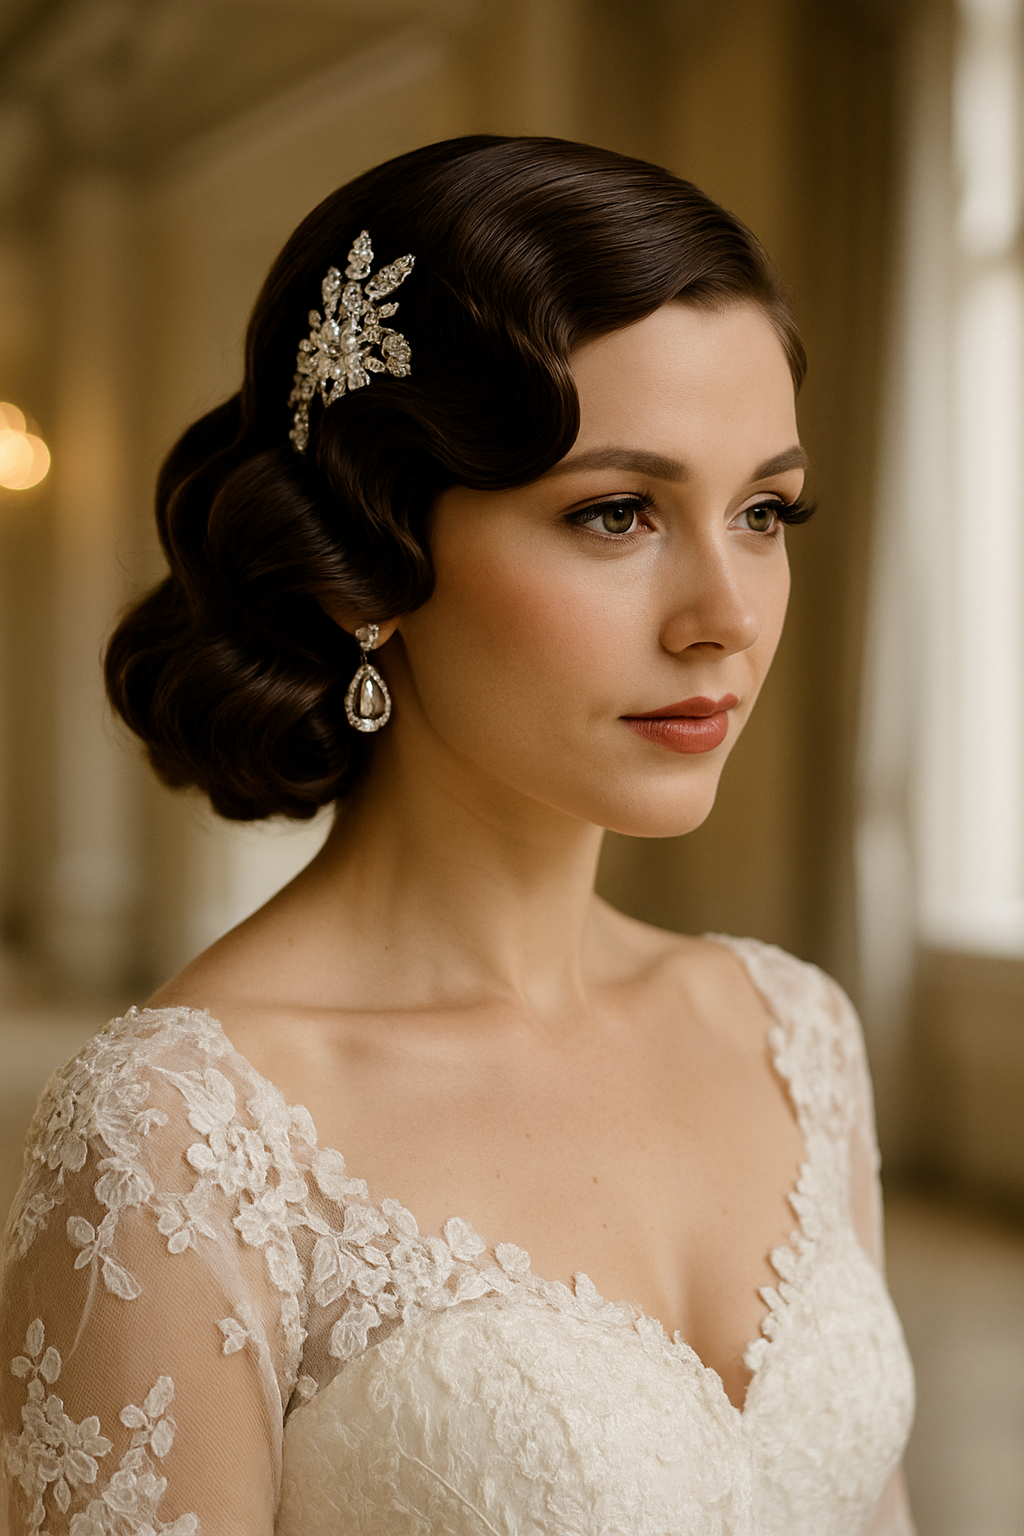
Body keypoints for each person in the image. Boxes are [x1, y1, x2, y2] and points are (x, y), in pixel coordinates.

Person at [0, 136, 916, 1535]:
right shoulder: (180, 1142)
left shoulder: (794, 1033)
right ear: (375, 559)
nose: (726, 614)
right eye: (617, 513)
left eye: (764, 512)